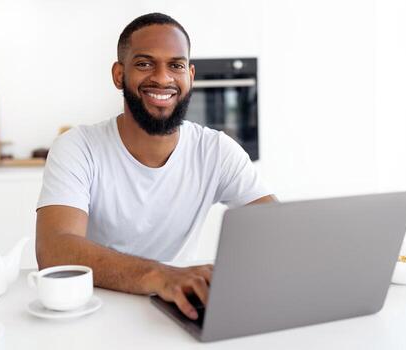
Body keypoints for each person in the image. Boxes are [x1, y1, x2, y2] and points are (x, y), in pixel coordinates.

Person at [35, 12, 276, 321]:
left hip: (178, 310)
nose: (163, 78)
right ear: (119, 74)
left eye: (175, 65)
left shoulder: (217, 151)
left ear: (190, 74)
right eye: (145, 63)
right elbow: (55, 250)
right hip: (94, 312)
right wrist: (161, 276)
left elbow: (275, 231)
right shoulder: (78, 146)